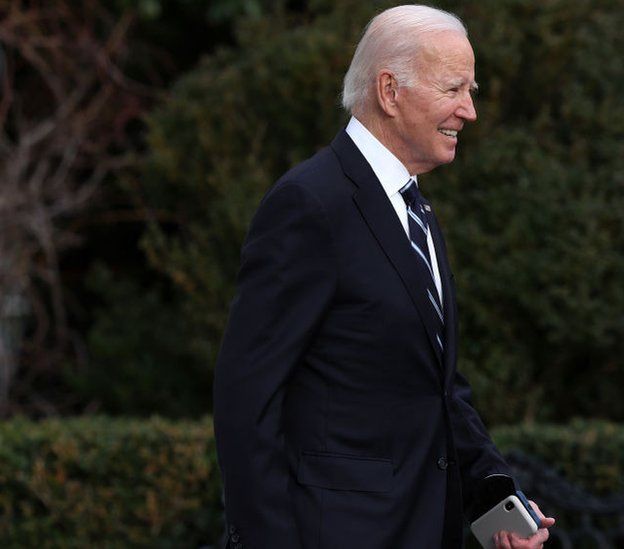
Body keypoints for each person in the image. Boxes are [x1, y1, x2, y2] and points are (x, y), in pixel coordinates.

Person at [212, 5, 554, 548]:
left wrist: (492, 495)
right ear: (389, 91)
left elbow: (437, 386)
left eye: (472, 90)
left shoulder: (415, 210)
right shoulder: (309, 204)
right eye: (453, 89)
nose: (469, 111)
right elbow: (246, 396)